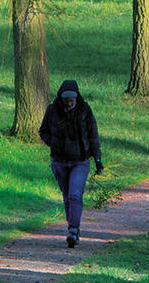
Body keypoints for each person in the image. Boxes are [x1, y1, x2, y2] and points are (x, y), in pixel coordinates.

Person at [38, 79, 103, 247]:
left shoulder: (85, 110)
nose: (69, 102)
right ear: (61, 98)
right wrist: (52, 142)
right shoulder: (52, 111)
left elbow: (93, 136)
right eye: (66, 99)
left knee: (75, 195)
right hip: (59, 162)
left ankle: (73, 230)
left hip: (80, 161)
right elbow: (43, 131)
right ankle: (72, 228)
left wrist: (97, 159)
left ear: (76, 97)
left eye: (72, 98)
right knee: (67, 197)